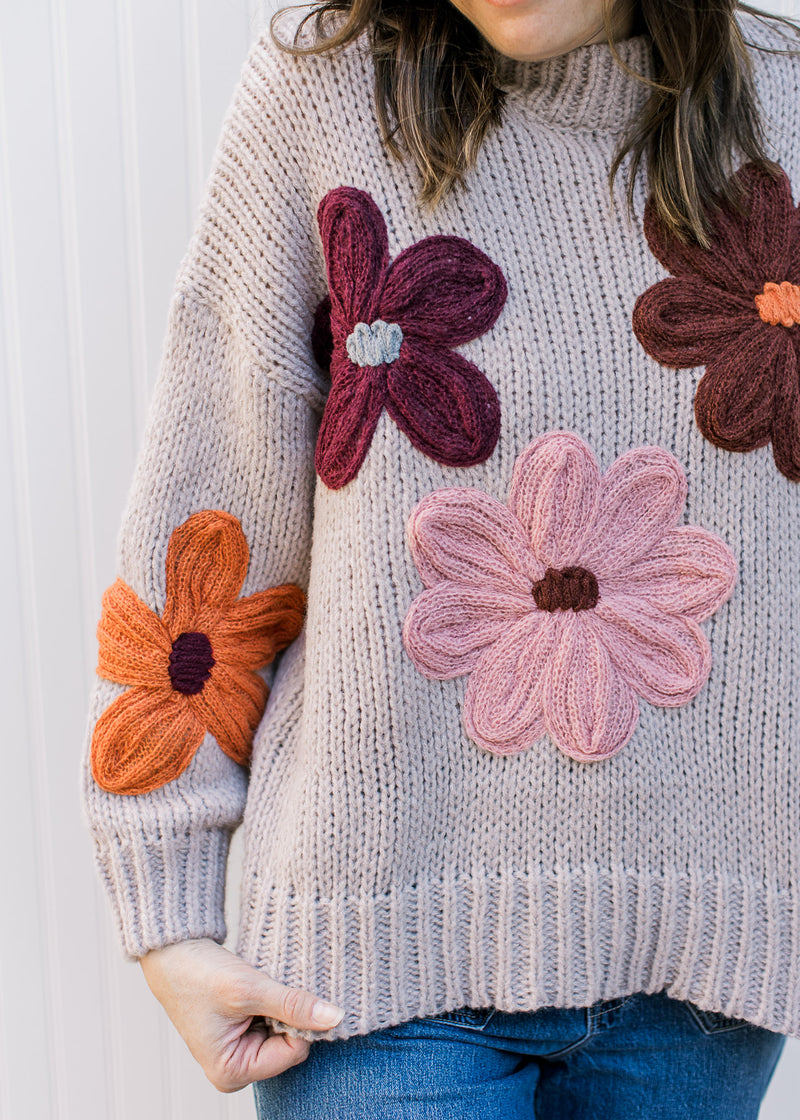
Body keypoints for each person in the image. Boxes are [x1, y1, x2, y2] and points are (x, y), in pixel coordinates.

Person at [79, 0, 800, 1115]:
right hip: (373, 970)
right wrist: (163, 904)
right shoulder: (321, 91)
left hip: (702, 968)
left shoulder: (786, 102)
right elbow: (214, 503)